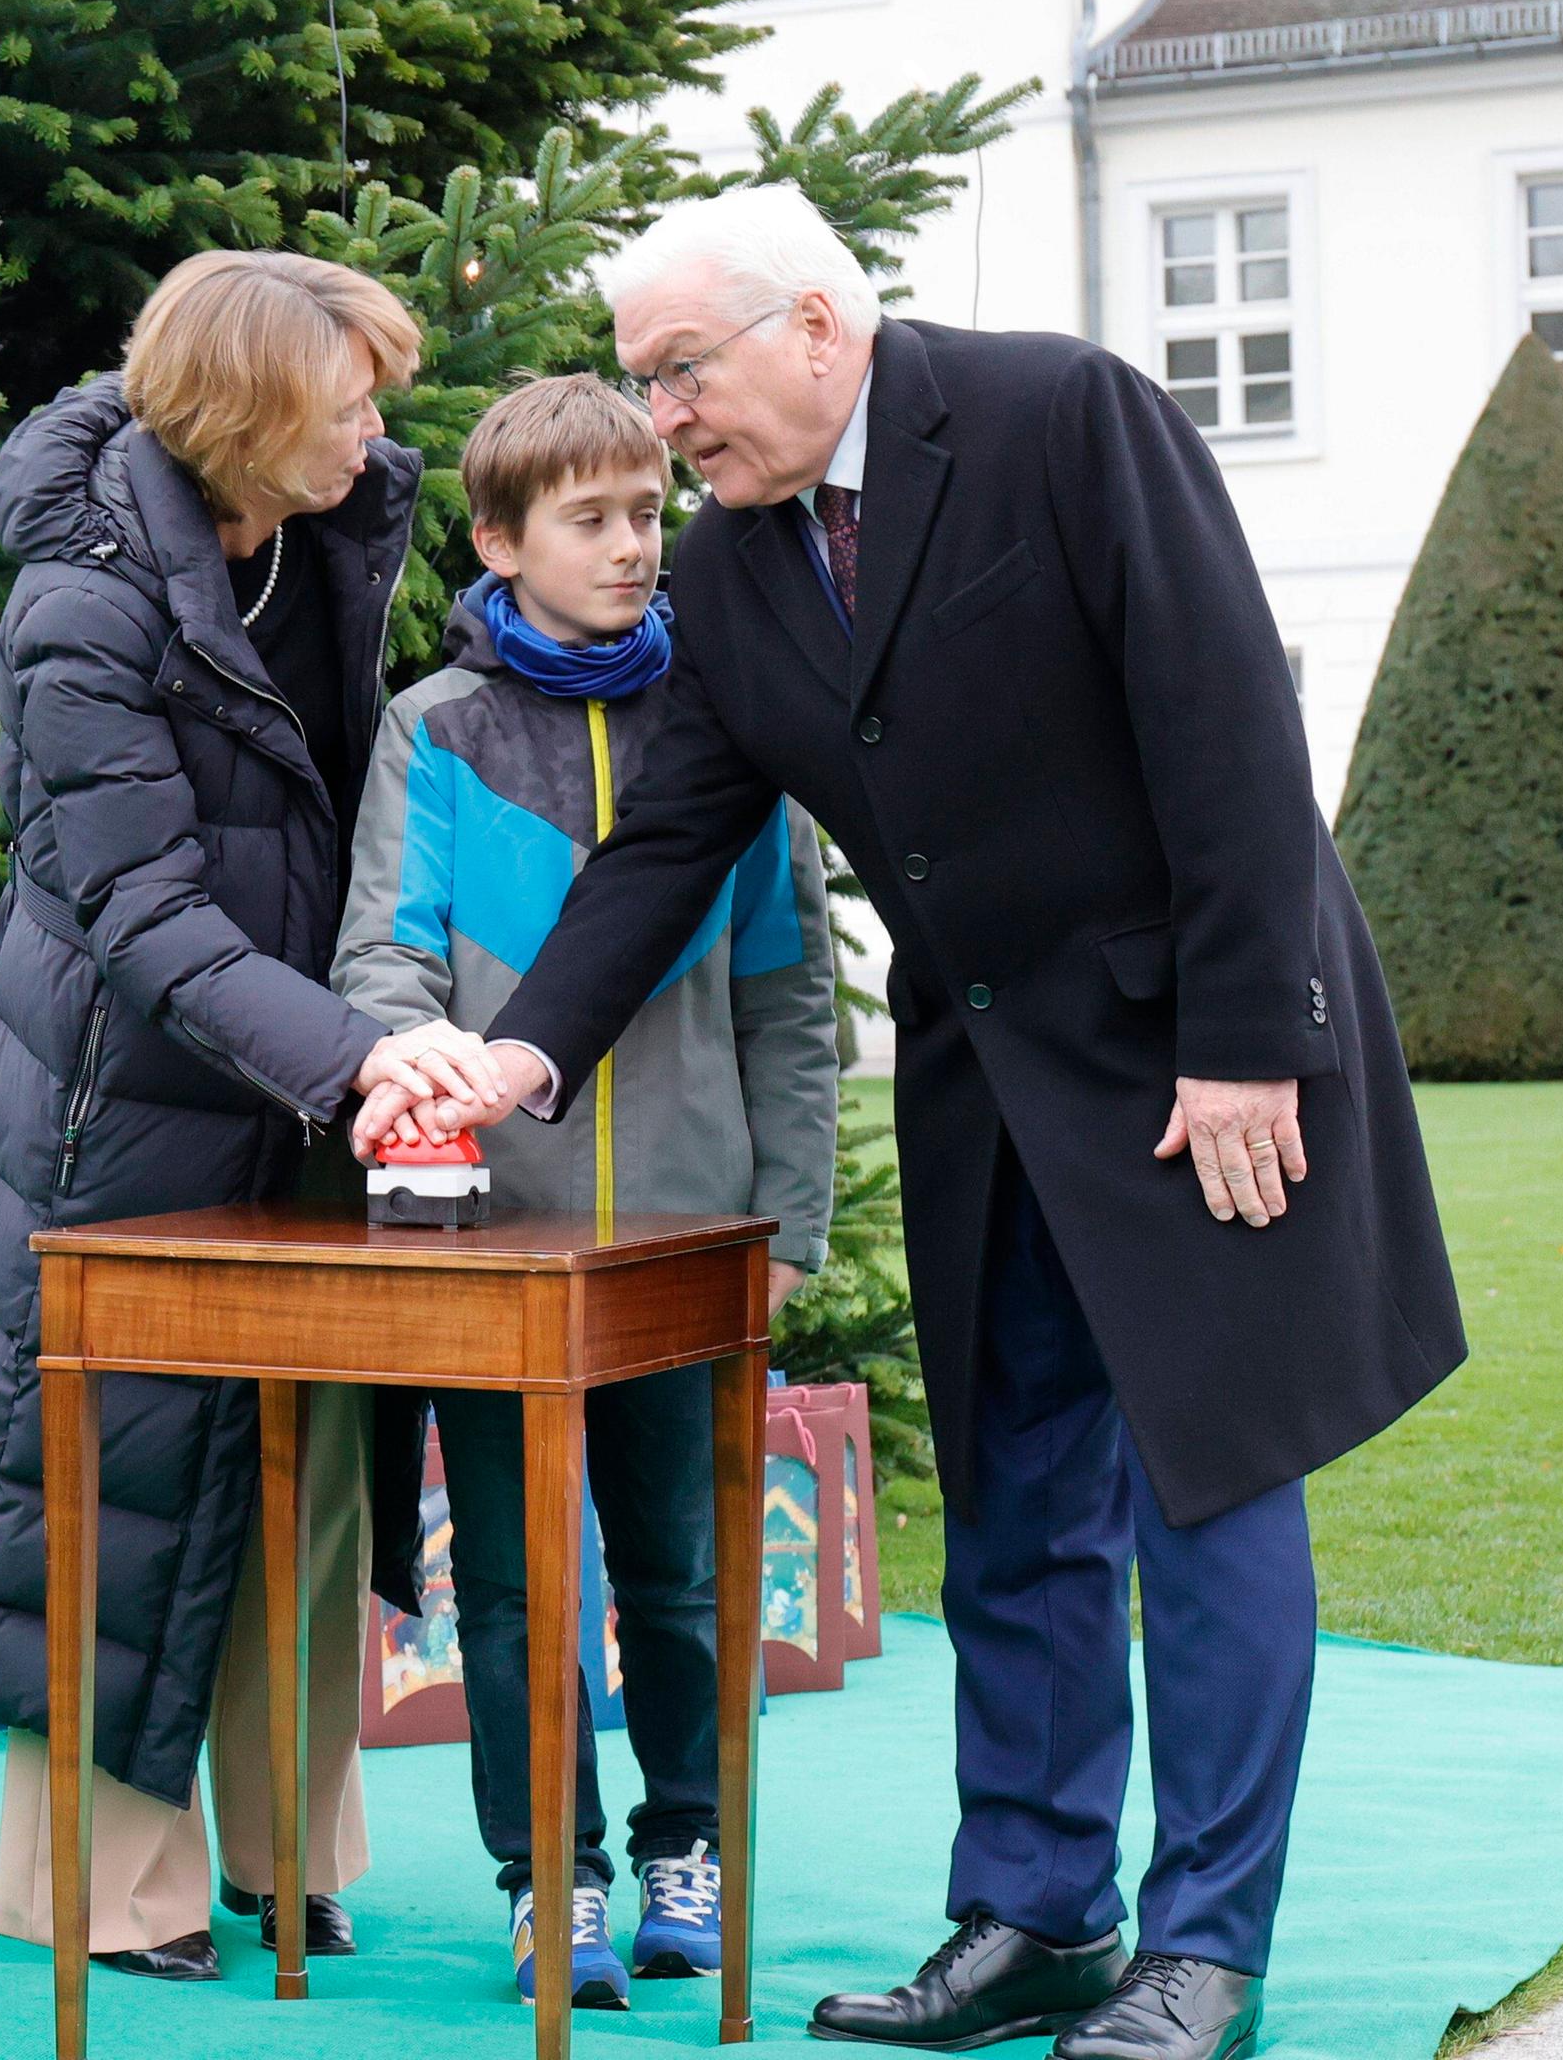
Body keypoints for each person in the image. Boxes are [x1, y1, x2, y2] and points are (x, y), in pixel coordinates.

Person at [424, 185, 1466, 2060]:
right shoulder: (741, 566)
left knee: (1208, 1493)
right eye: (642, 381)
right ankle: (1039, 1918)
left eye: (683, 371)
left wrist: (1246, 1044)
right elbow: (672, 839)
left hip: (1195, 1065)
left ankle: (1204, 1952)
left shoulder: (1062, 414)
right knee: (1015, 1509)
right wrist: (522, 1058)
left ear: (817, 326)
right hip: (989, 1088)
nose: (663, 421)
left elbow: (1228, 723)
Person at [0, 251, 488, 1984]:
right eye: (349, 394)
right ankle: (112, 1890)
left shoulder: (328, 527)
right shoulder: (82, 604)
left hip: (299, 1081)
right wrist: (364, 1059)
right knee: (117, 1500)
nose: (380, 424)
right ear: (247, 413)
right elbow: (143, 919)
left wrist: (379, 1029)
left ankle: (291, 1852)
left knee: (308, 1494)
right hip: (116, 1106)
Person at [326, 373, 839, 2006]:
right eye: (594, 519)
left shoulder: (734, 718)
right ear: (498, 536)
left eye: (651, 514)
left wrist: (790, 1228)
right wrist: (427, 1085)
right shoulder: (436, 732)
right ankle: (551, 1879)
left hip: (687, 1244)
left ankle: (688, 1842)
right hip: (493, 1251)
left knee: (683, 1577)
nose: (637, 549)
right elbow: (383, 962)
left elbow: (788, 1001)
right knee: (517, 1587)